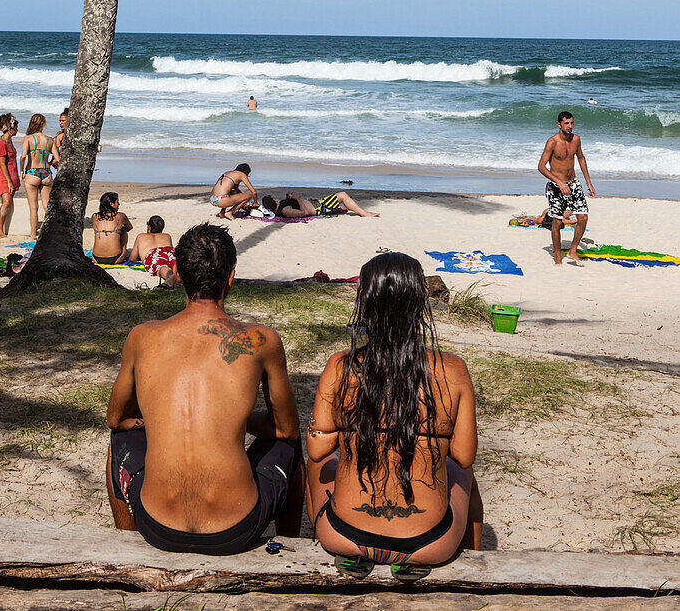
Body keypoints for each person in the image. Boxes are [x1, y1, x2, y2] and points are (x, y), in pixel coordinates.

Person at [106, 222, 305, 553]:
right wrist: (234, 417)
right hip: (235, 529)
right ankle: (289, 546)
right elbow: (287, 429)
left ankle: (127, 543)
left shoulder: (142, 336)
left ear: (179, 275)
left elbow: (116, 418)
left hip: (157, 526)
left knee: (119, 441)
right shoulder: (261, 340)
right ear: (230, 277)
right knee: (291, 447)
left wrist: (149, 420)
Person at [307, 252, 482, 581]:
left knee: (317, 464)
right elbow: (463, 455)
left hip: (344, 535)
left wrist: (329, 429)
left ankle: (352, 556)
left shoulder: (340, 366)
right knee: (463, 474)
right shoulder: (452, 369)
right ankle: (473, 565)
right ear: (419, 305)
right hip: (429, 542)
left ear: (366, 305)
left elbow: (317, 450)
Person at [538, 111, 596, 265]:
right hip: (556, 185)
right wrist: (559, 183)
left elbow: (581, 158)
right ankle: (558, 257)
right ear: (559, 125)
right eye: (566, 123)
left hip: (573, 183)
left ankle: (572, 251)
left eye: (572, 123)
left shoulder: (576, 139)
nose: (570, 126)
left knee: (583, 217)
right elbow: (541, 167)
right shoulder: (552, 142)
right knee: (557, 222)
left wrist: (588, 182)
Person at [20, 114, 56, 239]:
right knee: (47, 206)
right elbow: (57, 158)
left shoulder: (28, 139)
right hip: (46, 173)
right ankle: (49, 232)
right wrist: (49, 164)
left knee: (33, 207)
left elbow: (23, 156)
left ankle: (33, 234)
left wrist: (21, 171)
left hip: (32, 173)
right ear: (43, 124)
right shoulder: (50, 139)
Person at [0, 113, 20, 238]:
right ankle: (0, 229)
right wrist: (9, 181)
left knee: (8, 202)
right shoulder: (1, 143)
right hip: (3, 177)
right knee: (7, 202)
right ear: (10, 127)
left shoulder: (10, 141)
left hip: (12, 175)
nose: (17, 130)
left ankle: (5, 228)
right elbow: (2, 164)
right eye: (16, 127)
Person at [128, 215, 177, 286]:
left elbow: (132, 258)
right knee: (172, 263)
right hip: (168, 251)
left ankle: (170, 276)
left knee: (161, 267)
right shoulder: (167, 236)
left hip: (154, 254)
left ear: (149, 227)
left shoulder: (141, 236)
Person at [262, 190, 379, 219]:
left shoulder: (282, 204)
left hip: (317, 202)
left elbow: (293, 205)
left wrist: (288, 198)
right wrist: (297, 198)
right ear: (273, 201)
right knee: (343, 195)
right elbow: (304, 213)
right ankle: (364, 213)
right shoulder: (285, 211)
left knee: (343, 202)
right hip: (319, 207)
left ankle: (341, 209)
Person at [92, 192, 133, 264]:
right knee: (123, 230)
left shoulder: (95, 217)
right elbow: (129, 227)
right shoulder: (121, 216)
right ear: (111, 204)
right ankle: (123, 252)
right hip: (116, 258)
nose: (119, 204)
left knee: (99, 233)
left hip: (96, 258)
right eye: (117, 202)